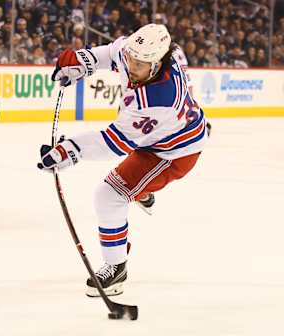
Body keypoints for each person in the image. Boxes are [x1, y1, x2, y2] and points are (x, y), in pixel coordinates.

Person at [39, 24, 208, 296]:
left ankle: (116, 267)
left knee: (109, 195)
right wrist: (82, 62)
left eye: (139, 64)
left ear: (156, 65)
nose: (130, 66)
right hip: (161, 135)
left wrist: (69, 151)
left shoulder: (158, 99)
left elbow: (114, 143)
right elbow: (110, 53)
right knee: (125, 186)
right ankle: (142, 190)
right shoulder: (139, 50)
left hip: (174, 152)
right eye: (130, 58)